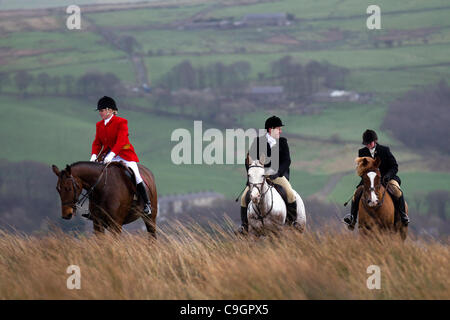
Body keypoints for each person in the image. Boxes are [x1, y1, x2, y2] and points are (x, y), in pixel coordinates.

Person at [89, 96, 151, 216]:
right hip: (107, 155)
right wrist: (94, 155)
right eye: (100, 111)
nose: (100, 113)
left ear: (110, 110)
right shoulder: (99, 125)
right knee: (95, 175)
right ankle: (94, 207)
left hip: (124, 154)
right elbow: (97, 142)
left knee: (136, 174)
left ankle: (146, 203)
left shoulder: (121, 122)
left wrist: (112, 154)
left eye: (102, 110)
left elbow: (121, 141)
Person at [238, 115, 297, 233]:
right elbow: (248, 160)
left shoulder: (283, 142)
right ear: (271, 129)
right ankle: (244, 226)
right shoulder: (258, 142)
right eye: (278, 128)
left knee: (290, 194)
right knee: (244, 198)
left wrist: (278, 173)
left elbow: (287, 161)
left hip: (277, 176)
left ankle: (292, 223)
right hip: (259, 177)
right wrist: (252, 174)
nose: (281, 131)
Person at [343, 129, 410, 229]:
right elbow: (361, 169)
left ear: (375, 141)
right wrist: (366, 178)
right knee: (356, 193)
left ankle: (402, 215)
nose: (368, 145)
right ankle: (353, 218)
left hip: (387, 178)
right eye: (366, 143)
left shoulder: (385, 150)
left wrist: (387, 175)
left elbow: (394, 166)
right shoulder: (362, 152)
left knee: (397, 191)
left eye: (370, 143)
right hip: (369, 180)